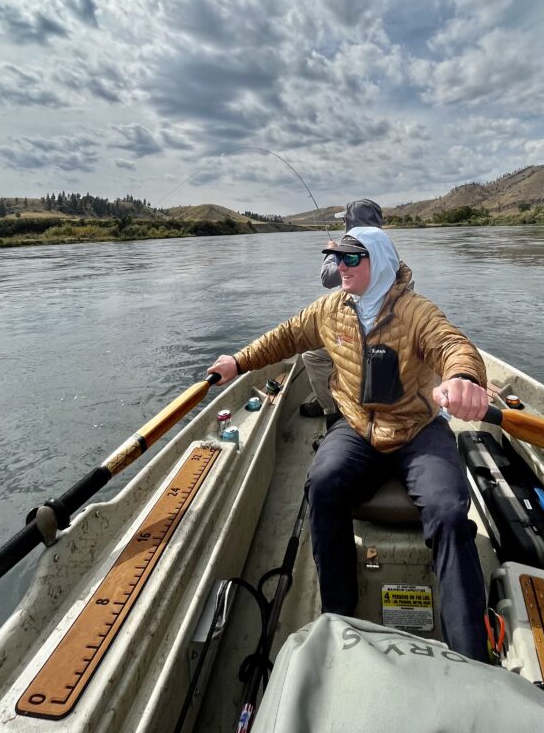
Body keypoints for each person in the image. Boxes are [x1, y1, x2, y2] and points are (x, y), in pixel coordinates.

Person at [208, 226, 490, 661]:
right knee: (321, 485)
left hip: (417, 431)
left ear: (378, 261)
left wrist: (463, 378)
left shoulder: (416, 311)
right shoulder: (330, 309)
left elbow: (452, 345)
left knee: (449, 512)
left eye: (350, 258)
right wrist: (238, 361)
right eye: (335, 257)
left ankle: (469, 654)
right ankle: (339, 614)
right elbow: (285, 336)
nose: (339, 266)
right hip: (358, 428)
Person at [301, 198, 384, 417]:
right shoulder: (385, 249)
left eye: (345, 221)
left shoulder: (357, 251)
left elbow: (328, 279)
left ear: (350, 223)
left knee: (312, 355)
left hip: (364, 337)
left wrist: (332, 252)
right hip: (378, 331)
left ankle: (333, 411)